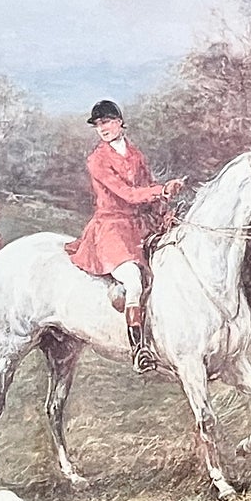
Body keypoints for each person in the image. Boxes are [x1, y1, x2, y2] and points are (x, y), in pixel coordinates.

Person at [64, 100, 183, 370]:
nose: (102, 128)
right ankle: (139, 349)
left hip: (140, 225)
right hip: (111, 228)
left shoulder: (135, 154)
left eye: (106, 122)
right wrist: (162, 190)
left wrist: (164, 210)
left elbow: (148, 187)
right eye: (98, 125)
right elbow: (127, 194)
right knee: (133, 280)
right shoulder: (97, 160)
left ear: (119, 122)